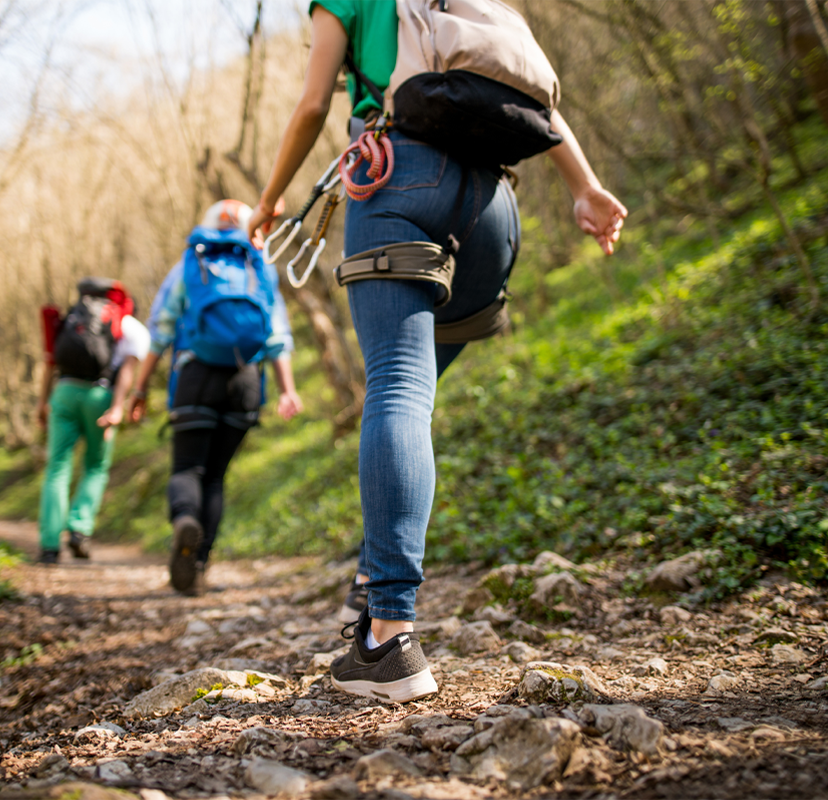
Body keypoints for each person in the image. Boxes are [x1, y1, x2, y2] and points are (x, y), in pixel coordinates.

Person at [248, 1, 627, 702]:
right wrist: (585, 186)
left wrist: (270, 199)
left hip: (396, 178)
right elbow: (535, 94)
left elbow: (309, 107)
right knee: (409, 391)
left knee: (397, 386)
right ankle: (372, 576)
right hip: (493, 212)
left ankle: (388, 638)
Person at [130, 199, 303, 597]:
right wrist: (288, 390)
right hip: (244, 381)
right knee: (216, 477)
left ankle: (185, 520)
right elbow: (277, 336)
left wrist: (140, 389)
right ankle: (201, 565)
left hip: (196, 376)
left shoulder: (191, 263)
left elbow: (161, 329)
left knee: (188, 468)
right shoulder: (260, 266)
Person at [37, 279, 150, 564]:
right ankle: (79, 529)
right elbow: (127, 369)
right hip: (99, 395)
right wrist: (116, 407)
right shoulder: (127, 324)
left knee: (57, 468)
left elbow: (50, 361)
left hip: (63, 392)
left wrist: (42, 401)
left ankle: (49, 545)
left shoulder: (72, 319)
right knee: (96, 466)